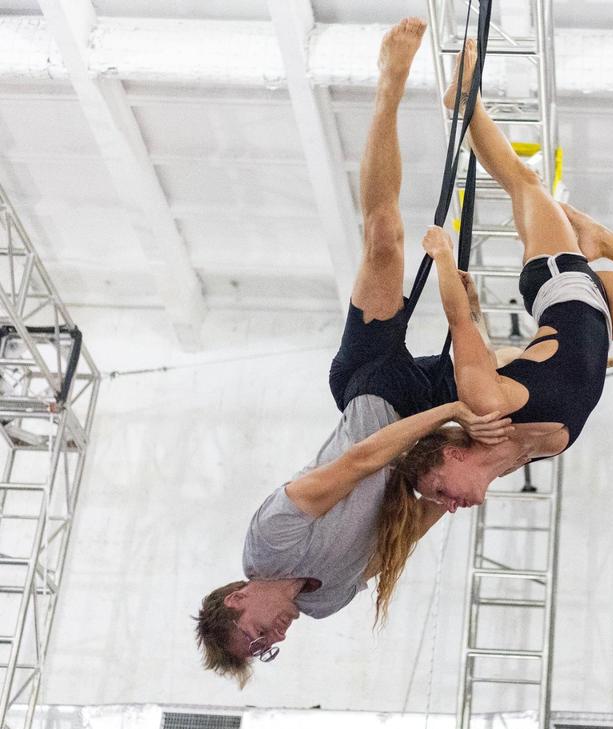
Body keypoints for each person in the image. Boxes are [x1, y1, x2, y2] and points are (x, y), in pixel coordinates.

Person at [193, 19, 512, 687]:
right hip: (419, 430)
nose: (274, 636)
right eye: (268, 648)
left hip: (372, 390)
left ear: (236, 597)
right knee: (513, 390)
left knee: (384, 239)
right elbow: (404, 528)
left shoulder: (270, 538)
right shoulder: (327, 598)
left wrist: (453, 402)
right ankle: (470, 112)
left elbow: (364, 457)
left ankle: (389, 87)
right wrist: (451, 486)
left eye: (256, 633)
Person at [400, 41, 613, 512]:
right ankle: (602, 239)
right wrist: (591, 361)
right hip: (604, 319)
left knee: (526, 183)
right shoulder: (518, 455)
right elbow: (516, 359)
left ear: (453, 454)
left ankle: (464, 104)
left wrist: (442, 259)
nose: (448, 505)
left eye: (438, 489)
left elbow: (462, 333)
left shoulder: (484, 405)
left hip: (562, 285)